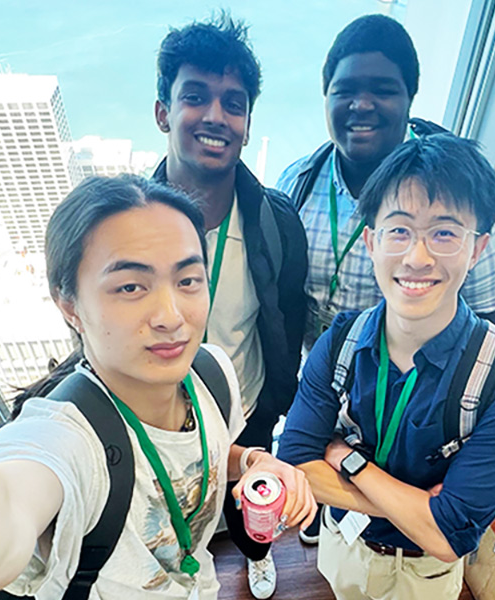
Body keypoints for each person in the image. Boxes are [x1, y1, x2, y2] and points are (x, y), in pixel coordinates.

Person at [0, 175, 317, 600]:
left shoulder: (212, 375)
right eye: (131, 287)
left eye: (188, 279)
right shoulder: (68, 438)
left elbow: (203, 452)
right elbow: (2, 501)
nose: (172, 316)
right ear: (69, 305)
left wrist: (251, 460)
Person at [277, 134, 495, 600]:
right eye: (399, 230)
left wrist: (345, 459)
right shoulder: (339, 343)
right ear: (371, 242)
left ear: (476, 248)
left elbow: (449, 539)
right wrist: (421, 509)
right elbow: (297, 463)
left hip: (425, 577)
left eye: (444, 233)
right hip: (344, 543)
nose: (417, 258)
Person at [150, 14, 309, 599]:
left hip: (246, 409)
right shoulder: (130, 231)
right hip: (161, 421)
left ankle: (255, 551)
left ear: (246, 124)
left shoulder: (276, 224)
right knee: (168, 516)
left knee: (251, 507)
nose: (215, 116)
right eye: (195, 97)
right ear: (163, 112)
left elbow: (284, 321)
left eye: (233, 103)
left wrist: (277, 404)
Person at [276, 14, 495, 355]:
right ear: (326, 97)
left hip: (411, 394)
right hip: (317, 383)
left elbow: (492, 325)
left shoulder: (466, 198)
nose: (361, 105)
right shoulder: (296, 185)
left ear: (410, 98)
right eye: (344, 91)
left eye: (382, 90)